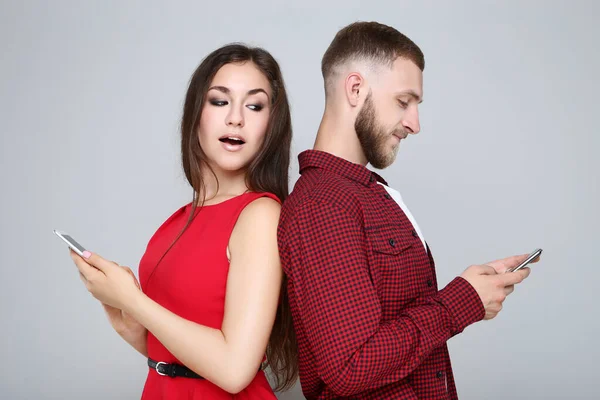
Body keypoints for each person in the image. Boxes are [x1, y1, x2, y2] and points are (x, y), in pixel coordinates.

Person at [277, 21, 537, 399]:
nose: (414, 124)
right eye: (403, 101)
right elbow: (352, 365)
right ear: (355, 88)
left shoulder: (362, 193)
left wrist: (475, 293)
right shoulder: (323, 204)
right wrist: (461, 301)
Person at [69, 43, 298, 399]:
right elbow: (180, 355)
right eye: (220, 101)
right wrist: (129, 324)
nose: (236, 117)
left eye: (254, 105)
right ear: (196, 113)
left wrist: (133, 301)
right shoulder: (177, 221)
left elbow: (234, 370)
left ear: (271, 125)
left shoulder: (260, 215)